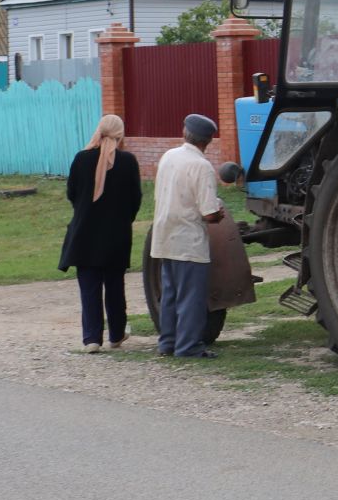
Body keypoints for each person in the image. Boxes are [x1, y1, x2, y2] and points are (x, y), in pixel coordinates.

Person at [58, 114, 143, 353]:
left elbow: (72, 194)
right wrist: (124, 220)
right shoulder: (127, 161)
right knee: (115, 287)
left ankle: (92, 338)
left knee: (89, 288)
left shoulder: (81, 159)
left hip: (85, 234)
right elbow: (135, 198)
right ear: (120, 133)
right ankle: (116, 334)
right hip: (116, 236)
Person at [150, 113, 225, 359]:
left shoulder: (168, 156)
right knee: (191, 297)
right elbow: (209, 213)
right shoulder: (201, 166)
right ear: (208, 141)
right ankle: (189, 347)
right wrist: (219, 211)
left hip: (164, 235)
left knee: (170, 294)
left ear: (185, 133)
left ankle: (168, 343)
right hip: (188, 240)